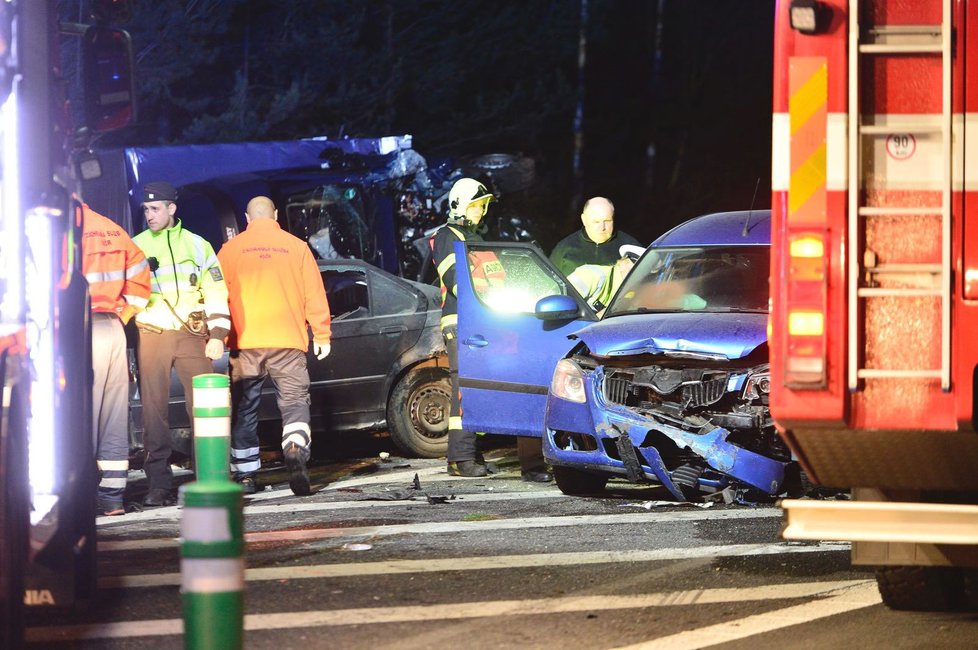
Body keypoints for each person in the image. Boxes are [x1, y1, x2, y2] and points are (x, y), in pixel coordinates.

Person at [432, 178, 552, 482]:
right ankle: (460, 457)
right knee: (467, 389)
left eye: (483, 207)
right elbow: (458, 283)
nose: (481, 213)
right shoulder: (449, 237)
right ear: (460, 205)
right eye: (477, 206)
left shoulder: (478, 241)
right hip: (465, 325)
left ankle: (473, 454)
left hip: (491, 323)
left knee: (494, 388)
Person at [217, 196, 332, 496]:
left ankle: (246, 475)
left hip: (245, 343)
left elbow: (218, 297)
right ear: (276, 215)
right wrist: (321, 334)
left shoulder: (229, 250)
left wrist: (214, 336)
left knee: (245, 409)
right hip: (287, 341)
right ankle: (294, 449)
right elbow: (314, 294)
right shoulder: (297, 247)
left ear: (246, 218)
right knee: (294, 402)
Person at [133, 181, 230, 507]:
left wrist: (217, 335)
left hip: (191, 334)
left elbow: (216, 291)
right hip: (153, 335)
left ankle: (211, 478)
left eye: (155, 208)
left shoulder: (198, 246)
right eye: (145, 209)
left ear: (172, 209)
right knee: (153, 413)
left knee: (203, 408)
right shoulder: (136, 247)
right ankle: (159, 485)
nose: (149, 215)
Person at [82, 205, 152, 516]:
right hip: (113, 328)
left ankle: (79, 498)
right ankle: (111, 498)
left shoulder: (60, 228)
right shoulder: (109, 227)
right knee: (113, 417)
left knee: (78, 416)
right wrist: (122, 315)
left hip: (78, 333)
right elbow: (140, 275)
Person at [550, 197, 641, 277]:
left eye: (607, 221)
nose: (602, 227)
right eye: (596, 222)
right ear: (584, 220)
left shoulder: (630, 247)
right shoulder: (564, 248)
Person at [568, 244, 645, 316]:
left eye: (645, 270)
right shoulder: (591, 275)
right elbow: (563, 306)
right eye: (637, 268)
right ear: (622, 264)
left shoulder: (637, 291)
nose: (640, 274)